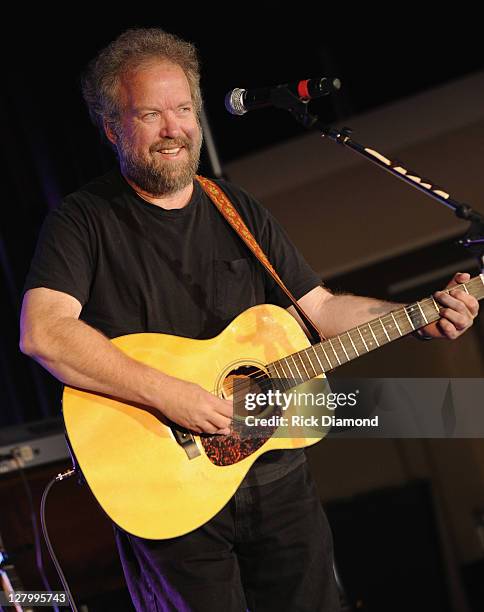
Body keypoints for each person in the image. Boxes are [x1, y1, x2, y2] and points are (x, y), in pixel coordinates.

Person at [19, 28, 479, 612]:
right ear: (112, 127)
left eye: (184, 109)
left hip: (277, 477)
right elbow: (44, 331)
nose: (173, 129)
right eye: (151, 114)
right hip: (169, 490)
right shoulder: (83, 221)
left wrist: (417, 316)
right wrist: (172, 394)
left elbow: (322, 310)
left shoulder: (235, 208)